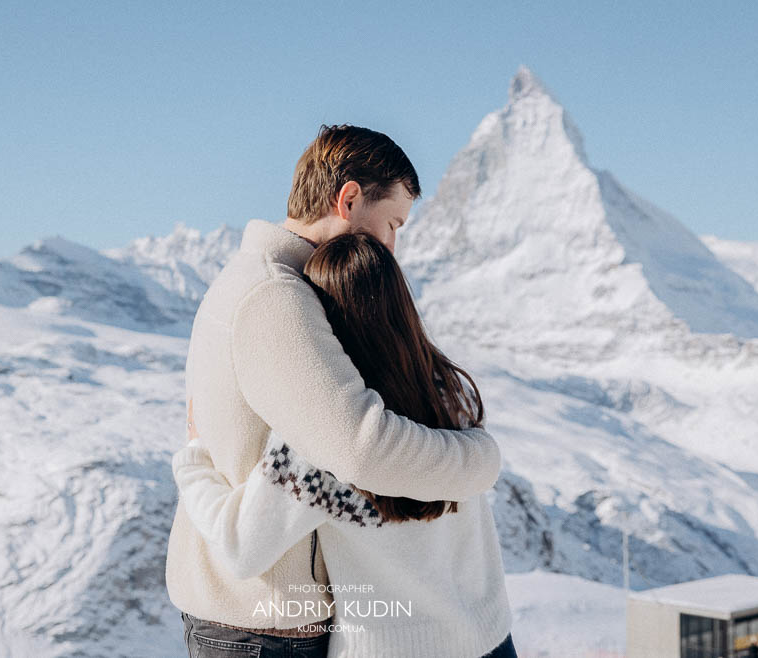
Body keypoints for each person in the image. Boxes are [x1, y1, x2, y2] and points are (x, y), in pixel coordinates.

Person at [164, 125, 504, 656]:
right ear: (348, 200)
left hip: (268, 619)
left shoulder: (272, 285)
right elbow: (360, 447)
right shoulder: (277, 297)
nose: (392, 247)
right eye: (392, 223)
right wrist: (480, 458)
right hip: (263, 627)